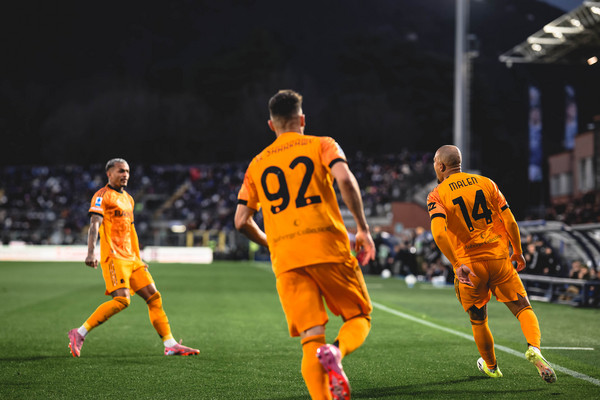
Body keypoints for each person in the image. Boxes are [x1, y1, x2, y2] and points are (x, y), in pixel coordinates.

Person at [235, 90, 375, 400]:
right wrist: (363, 229)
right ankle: (337, 352)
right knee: (359, 317)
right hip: (327, 246)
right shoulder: (322, 144)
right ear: (302, 119)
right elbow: (345, 180)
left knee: (311, 340)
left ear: (271, 125)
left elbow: (241, 220)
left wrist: (270, 242)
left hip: (286, 257)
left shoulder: (257, 164)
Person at [427, 145, 556, 383]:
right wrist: (518, 251)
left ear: (441, 166)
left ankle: (492, 366)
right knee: (523, 308)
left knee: (478, 318)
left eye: (435, 162)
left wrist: (456, 263)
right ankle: (534, 348)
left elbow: (439, 233)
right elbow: (510, 220)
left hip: (470, 266)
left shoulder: (437, 194)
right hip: (498, 258)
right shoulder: (486, 183)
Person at [68, 158, 199, 357]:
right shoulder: (102, 196)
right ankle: (79, 333)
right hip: (114, 257)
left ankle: (170, 344)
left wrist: (138, 257)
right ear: (109, 173)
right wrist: (91, 252)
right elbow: (94, 224)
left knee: (154, 297)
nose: (125, 175)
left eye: (127, 171)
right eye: (121, 171)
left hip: (132, 259)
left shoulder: (129, 199)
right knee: (122, 301)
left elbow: (131, 230)